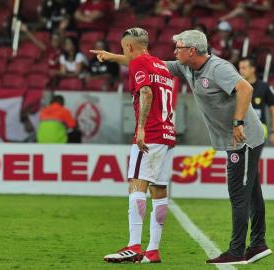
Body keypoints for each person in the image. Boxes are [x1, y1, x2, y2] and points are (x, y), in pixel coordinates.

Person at [90, 29, 271, 265]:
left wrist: (238, 122)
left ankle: (237, 250)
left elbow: (245, 88)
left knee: (239, 194)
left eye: (178, 48)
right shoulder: (185, 67)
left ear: (192, 51)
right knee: (252, 192)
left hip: (244, 138)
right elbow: (147, 63)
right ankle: (258, 244)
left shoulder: (218, 67)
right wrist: (112, 56)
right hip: (228, 140)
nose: (175, 52)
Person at [91, 27, 176, 264]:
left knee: (136, 187)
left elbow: (146, 93)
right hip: (167, 134)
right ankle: (153, 250)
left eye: (122, 48)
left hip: (150, 134)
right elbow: (138, 65)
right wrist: (111, 56)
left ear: (129, 46)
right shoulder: (160, 65)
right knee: (158, 191)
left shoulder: (139, 64)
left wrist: (140, 128)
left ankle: (133, 246)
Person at [239, 57, 274, 146]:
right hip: (240, 130)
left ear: (253, 69)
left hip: (258, 130)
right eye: (240, 68)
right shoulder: (236, 87)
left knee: (250, 159)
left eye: (244, 68)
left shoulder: (264, 87)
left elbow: (273, 109)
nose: (241, 71)